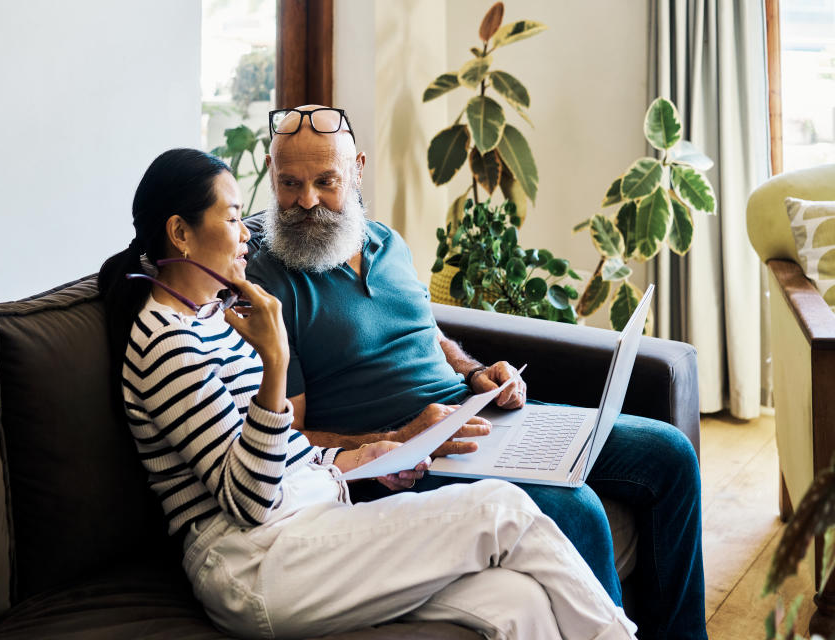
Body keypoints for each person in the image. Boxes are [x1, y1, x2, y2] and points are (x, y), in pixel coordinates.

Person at [97, 148, 636, 640]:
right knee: (502, 509)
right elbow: (249, 499)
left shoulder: (213, 315)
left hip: (312, 519)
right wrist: (276, 364)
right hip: (255, 562)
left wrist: (361, 458)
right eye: (234, 217)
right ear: (180, 233)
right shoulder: (164, 343)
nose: (248, 236)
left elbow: (281, 455)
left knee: (518, 602)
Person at [245, 106, 707, 640]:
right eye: (289, 183)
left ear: (357, 170)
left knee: (669, 453)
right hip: (406, 462)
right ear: (272, 174)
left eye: (325, 181)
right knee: (575, 508)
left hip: (472, 417)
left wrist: (475, 372)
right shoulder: (268, 283)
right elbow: (288, 440)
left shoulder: (385, 242)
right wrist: (396, 440)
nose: (306, 201)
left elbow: (429, 335)